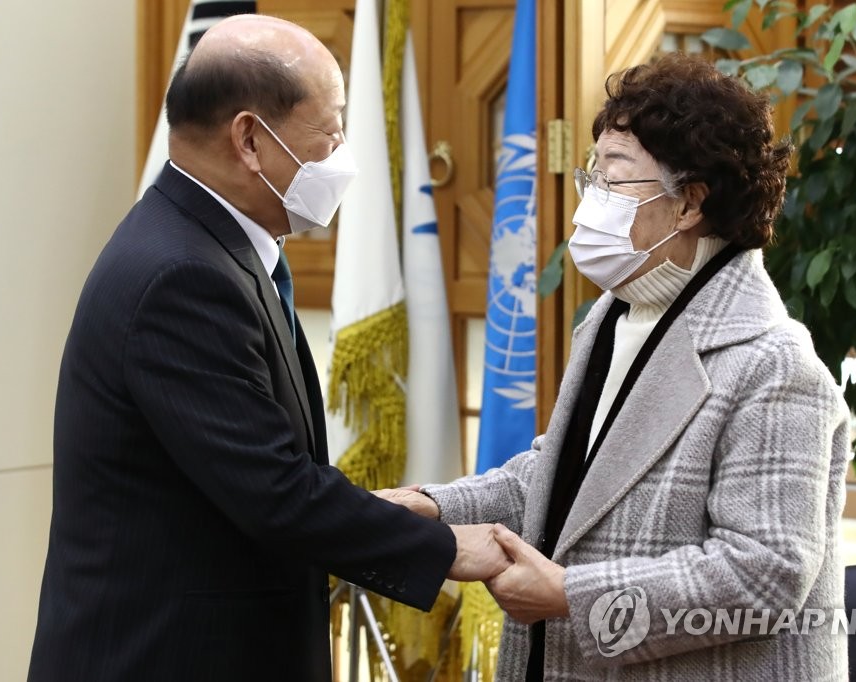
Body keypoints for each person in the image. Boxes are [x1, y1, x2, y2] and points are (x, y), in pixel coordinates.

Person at [27, 15, 508, 682]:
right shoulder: (181, 276)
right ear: (250, 139)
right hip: (162, 656)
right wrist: (449, 546)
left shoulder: (208, 246)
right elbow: (275, 491)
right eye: (332, 130)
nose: (344, 154)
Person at [378, 53, 850, 680]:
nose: (590, 201)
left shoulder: (773, 364)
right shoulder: (613, 316)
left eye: (615, 179)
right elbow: (563, 476)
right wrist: (433, 506)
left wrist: (572, 594)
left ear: (688, 204)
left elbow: (764, 571)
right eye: (591, 176)